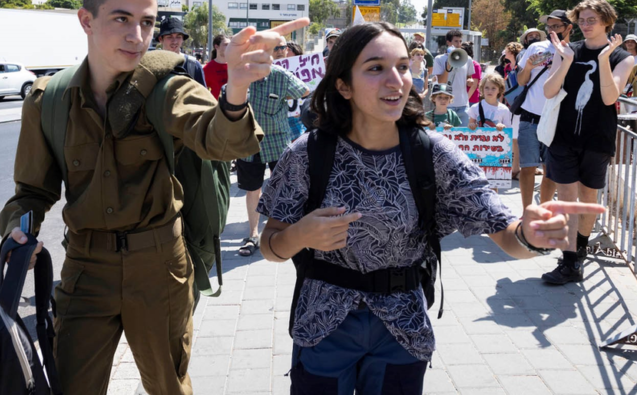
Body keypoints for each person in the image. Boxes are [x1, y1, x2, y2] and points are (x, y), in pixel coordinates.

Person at [0, 0, 309, 394]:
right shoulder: (48, 100)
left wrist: (235, 90)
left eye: (146, 23)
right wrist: (18, 229)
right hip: (86, 269)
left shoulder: (167, 89)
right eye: (121, 19)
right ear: (87, 21)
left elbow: (223, 140)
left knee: (168, 387)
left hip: (159, 267)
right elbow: (32, 192)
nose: (137, 36)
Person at [256, 22, 603, 394]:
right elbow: (270, 244)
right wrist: (299, 235)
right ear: (343, 85)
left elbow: (503, 229)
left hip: (401, 331)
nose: (396, 80)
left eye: (403, 67)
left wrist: (530, 236)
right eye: (375, 68)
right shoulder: (308, 153)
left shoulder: (433, 153)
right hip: (322, 325)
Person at [542, 0, 634, 285]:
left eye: (591, 19)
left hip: (597, 138)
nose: (585, 25)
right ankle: (570, 262)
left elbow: (609, 97)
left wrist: (604, 60)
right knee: (568, 199)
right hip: (563, 136)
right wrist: (565, 61)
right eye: (581, 20)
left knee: (588, 198)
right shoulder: (568, 49)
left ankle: (579, 251)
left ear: (607, 21)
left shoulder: (622, 57)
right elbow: (548, 91)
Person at [237, 53, 310, 256]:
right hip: (248, 142)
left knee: (285, 187)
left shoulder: (281, 76)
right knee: (253, 189)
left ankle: (285, 234)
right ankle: (253, 235)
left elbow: (305, 91)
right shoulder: (240, 77)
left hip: (277, 142)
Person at [515, 12, 567, 211]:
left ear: (568, 28)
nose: (552, 30)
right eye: (549, 27)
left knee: (549, 170)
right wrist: (528, 67)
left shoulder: (572, 50)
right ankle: (527, 212)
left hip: (556, 118)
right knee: (527, 168)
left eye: (557, 26)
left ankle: (544, 211)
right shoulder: (536, 48)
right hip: (529, 118)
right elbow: (521, 81)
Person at [432, 29, 475, 124]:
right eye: (456, 41)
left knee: (463, 136)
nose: (459, 44)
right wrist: (448, 66)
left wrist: (470, 80)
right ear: (448, 42)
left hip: (463, 105)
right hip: (447, 105)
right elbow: (441, 82)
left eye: (460, 41)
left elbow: (469, 77)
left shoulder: (467, 59)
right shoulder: (439, 59)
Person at [497, 42, 523, 179]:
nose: (504, 53)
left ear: (512, 52)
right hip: (510, 105)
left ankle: (517, 168)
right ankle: (514, 167)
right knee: (512, 138)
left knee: (516, 138)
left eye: (506, 50)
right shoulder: (507, 67)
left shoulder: (521, 67)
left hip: (521, 106)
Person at [158, 16, 206, 86]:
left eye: (178, 37)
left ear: (183, 39)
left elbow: (203, 95)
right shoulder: (152, 66)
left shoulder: (193, 66)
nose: (174, 41)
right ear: (160, 39)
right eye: (169, 37)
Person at [203, 34, 230, 99]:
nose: (229, 47)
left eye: (230, 45)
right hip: (216, 106)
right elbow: (202, 91)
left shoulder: (234, 66)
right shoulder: (207, 68)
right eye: (226, 45)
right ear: (216, 46)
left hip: (233, 106)